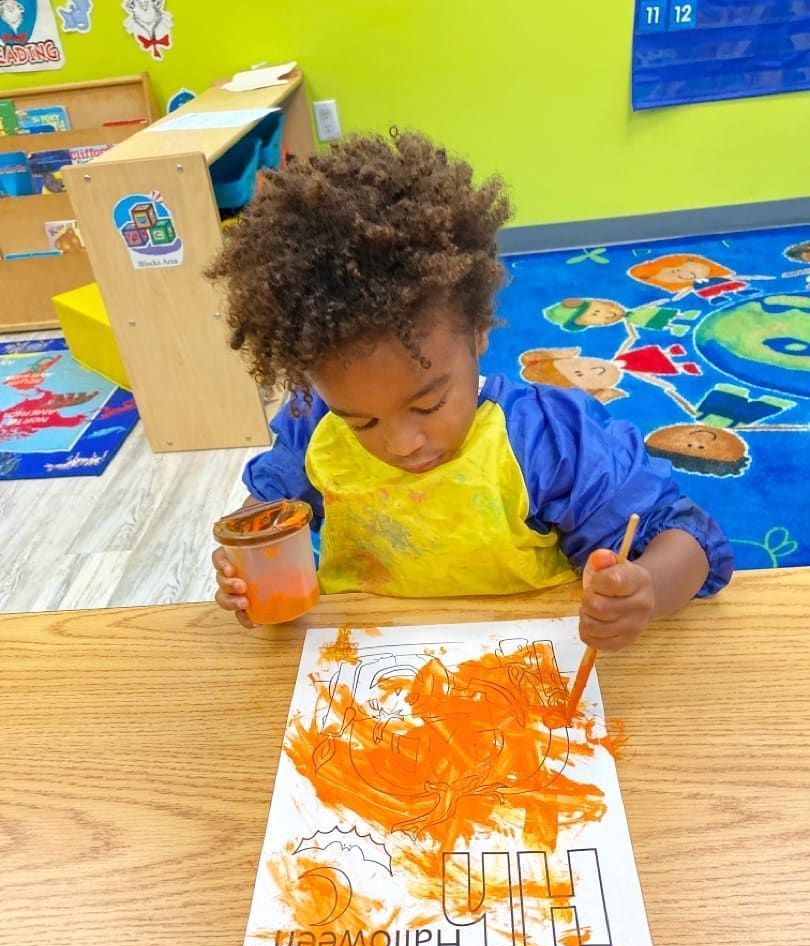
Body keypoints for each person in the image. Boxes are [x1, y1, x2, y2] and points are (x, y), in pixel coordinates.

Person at [207, 131, 733, 647]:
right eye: (360, 422)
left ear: (479, 330)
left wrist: (646, 591)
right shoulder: (314, 425)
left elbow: (684, 536)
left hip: (528, 667)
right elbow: (267, 511)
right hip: (366, 667)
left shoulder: (549, 442)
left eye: (429, 403)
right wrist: (244, 563)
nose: (401, 443)